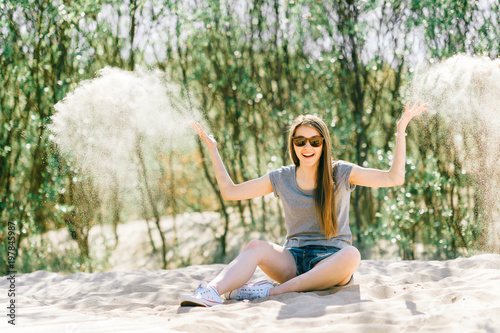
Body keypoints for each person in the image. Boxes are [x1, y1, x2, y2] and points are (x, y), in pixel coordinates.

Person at [179, 101, 428, 307]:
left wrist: (401, 129)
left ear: (324, 144)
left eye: (314, 141)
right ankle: (211, 292)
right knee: (255, 246)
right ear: (293, 145)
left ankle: (270, 293)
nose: (307, 147)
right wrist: (212, 149)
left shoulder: (341, 172)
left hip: (331, 263)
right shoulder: (282, 178)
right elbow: (231, 192)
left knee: (352, 254)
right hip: (293, 260)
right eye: (300, 141)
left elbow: (394, 178)